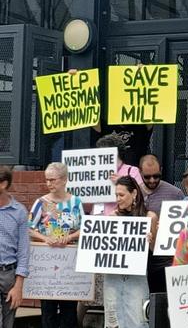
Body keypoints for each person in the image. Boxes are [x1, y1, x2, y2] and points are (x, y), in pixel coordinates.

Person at [28, 162, 84, 328]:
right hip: (47, 264)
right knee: (48, 311)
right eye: (47, 180)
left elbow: (85, 228)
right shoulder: (41, 202)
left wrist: (70, 237)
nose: (49, 184)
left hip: (69, 264)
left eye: (52, 180)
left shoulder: (75, 202)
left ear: (64, 180)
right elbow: (29, 228)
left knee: (69, 312)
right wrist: (45, 239)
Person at [103, 176, 157, 328]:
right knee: (114, 320)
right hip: (113, 276)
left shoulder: (150, 217)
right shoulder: (112, 217)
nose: (118, 199)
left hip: (137, 277)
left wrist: (150, 239)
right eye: (116, 195)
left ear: (134, 194)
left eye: (121, 195)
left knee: (138, 319)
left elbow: (154, 250)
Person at [139, 154, 184, 294]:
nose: (152, 180)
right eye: (147, 177)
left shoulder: (175, 193)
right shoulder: (134, 193)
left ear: (162, 170)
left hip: (164, 257)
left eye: (156, 176)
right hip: (139, 255)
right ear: (139, 172)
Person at [0, 166, 29, 328]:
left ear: (3, 184)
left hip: (9, 273)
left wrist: (18, 286)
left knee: (8, 323)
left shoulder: (19, 212)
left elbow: (23, 251)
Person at [95, 133, 144, 215]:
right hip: (99, 221)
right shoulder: (94, 172)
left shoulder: (132, 171)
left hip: (122, 220)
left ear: (116, 152)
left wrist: (122, 182)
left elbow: (141, 196)